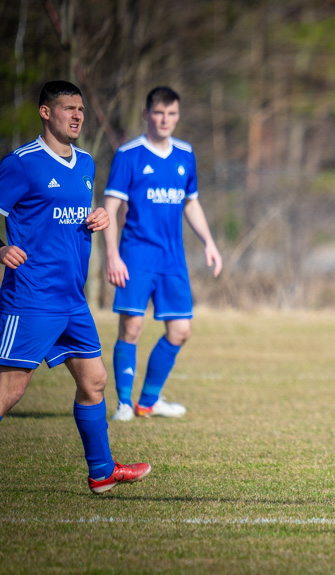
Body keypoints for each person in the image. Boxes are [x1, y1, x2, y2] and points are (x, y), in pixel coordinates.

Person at [0, 80, 151, 493]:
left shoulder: (85, 163)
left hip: (72, 299)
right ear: (46, 113)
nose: (78, 115)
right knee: (11, 389)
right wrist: (1, 248)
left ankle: (102, 471)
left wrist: (98, 217)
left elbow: (70, 216)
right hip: (31, 297)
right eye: (68, 108)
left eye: (81, 108)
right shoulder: (22, 162)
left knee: (94, 381)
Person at [103, 86, 222, 421]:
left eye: (171, 113)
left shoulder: (185, 154)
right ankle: (124, 403)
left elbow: (192, 202)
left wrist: (209, 242)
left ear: (178, 116)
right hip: (137, 255)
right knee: (132, 327)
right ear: (146, 114)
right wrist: (112, 255)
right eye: (158, 112)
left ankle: (148, 402)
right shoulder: (129, 155)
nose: (164, 119)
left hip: (173, 259)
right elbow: (109, 209)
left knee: (181, 330)